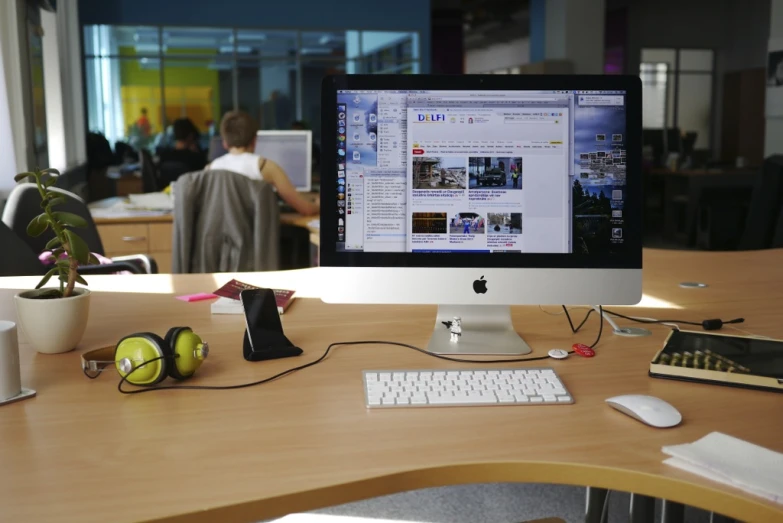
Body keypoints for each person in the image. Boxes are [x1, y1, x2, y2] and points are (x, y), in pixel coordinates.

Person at [209, 111, 319, 216]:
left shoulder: (210, 169)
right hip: (254, 234)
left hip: (217, 235)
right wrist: (318, 204)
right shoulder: (264, 166)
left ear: (224, 143)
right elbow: (305, 209)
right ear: (255, 140)